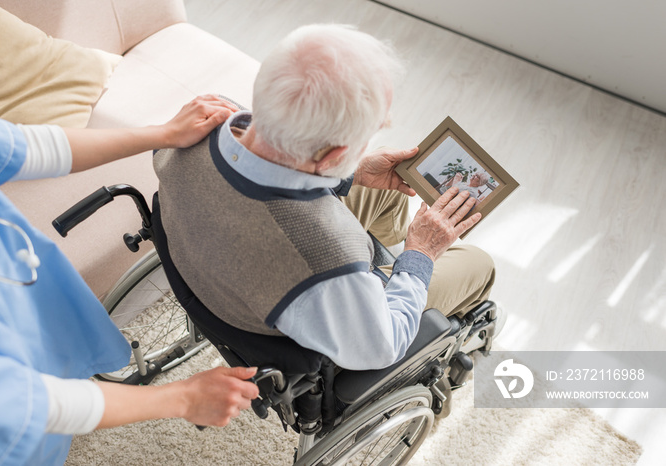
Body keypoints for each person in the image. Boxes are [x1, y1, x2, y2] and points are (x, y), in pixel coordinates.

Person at [154, 24, 496, 372]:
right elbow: (382, 346)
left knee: (388, 198)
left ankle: (387, 258)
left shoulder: (197, 124)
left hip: (223, 248)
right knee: (478, 263)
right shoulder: (328, 255)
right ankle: (390, 273)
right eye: (374, 129)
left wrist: (352, 172)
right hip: (294, 289)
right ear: (330, 157)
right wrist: (421, 252)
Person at [0, 96, 259, 465]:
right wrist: (183, 398)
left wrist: (164, 133)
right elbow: (19, 401)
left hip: (17, 300)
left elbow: (20, 147)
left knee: (51, 397)